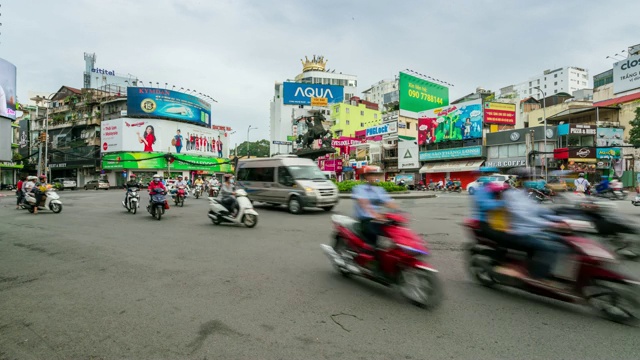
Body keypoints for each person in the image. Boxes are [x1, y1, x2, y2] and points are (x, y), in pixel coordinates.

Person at [501, 180, 566, 288]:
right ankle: (538, 276)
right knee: (550, 248)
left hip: (534, 230)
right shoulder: (511, 195)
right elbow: (523, 216)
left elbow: (539, 211)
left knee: (560, 240)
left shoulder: (527, 196)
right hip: (520, 231)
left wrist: (561, 220)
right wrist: (549, 224)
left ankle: (542, 269)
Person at [351, 167, 399, 252]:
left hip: (377, 220)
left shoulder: (379, 190)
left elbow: (387, 201)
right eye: (370, 174)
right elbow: (364, 203)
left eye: (374, 174)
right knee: (372, 238)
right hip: (366, 220)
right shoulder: (359, 188)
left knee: (395, 231)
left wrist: (398, 211)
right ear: (365, 176)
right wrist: (375, 215)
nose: (373, 177)